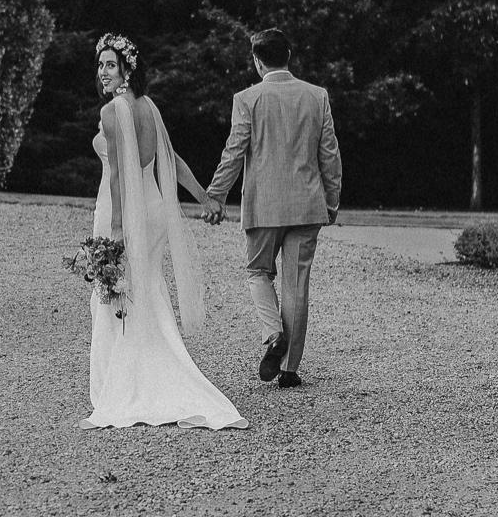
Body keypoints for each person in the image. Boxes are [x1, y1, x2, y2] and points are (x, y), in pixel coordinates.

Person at [80, 33, 248, 430]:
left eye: (109, 64)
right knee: (147, 290)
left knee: (116, 295)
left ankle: (120, 389)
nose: (102, 72)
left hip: (122, 210)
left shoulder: (113, 112)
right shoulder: (148, 106)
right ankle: (159, 373)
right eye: (100, 64)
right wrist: (204, 197)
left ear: (126, 69)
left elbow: (120, 174)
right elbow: (170, 162)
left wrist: (118, 230)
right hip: (152, 208)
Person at [204, 29, 342, 389]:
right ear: (289, 55)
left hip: (264, 206)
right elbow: (329, 154)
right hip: (308, 205)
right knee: (297, 285)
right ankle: (290, 369)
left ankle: (272, 334)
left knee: (257, 272)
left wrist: (217, 195)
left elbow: (234, 151)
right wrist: (331, 199)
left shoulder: (247, 99)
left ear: (257, 60)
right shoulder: (317, 96)